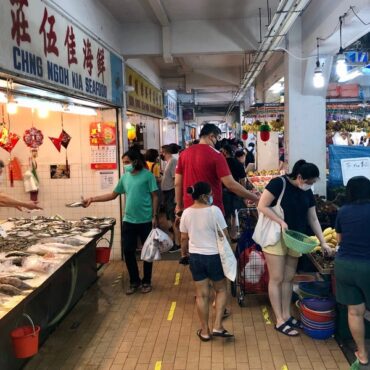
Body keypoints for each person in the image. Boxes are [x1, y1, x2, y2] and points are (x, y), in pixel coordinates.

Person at [257, 159, 333, 336]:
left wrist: (322, 241)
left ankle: (287, 314)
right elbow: (262, 205)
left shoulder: (307, 192)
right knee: (276, 278)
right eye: (309, 182)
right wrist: (280, 221)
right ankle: (279, 320)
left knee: (289, 278)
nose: (310, 186)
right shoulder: (278, 184)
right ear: (299, 177)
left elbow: (313, 218)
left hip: (295, 238)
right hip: (275, 236)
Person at [82, 149, 158, 295]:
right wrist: (92, 199)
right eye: (123, 163)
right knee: (128, 251)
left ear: (136, 161)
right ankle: (134, 281)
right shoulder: (125, 178)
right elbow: (112, 195)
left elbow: (155, 196)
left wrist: (154, 215)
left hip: (146, 220)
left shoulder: (148, 176)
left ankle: (147, 281)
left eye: (127, 162)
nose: (125, 165)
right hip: (128, 220)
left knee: (148, 252)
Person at [180, 182, 234, 341]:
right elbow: (224, 235)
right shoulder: (214, 211)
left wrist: (184, 254)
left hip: (196, 257)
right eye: (210, 194)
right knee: (221, 290)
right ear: (204, 196)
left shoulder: (186, 213)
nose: (212, 196)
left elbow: (183, 238)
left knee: (201, 295)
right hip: (214, 257)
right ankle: (218, 325)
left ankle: (205, 331)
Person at [175, 123, 259, 217]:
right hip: (212, 209)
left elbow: (177, 183)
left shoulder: (184, 154)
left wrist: (179, 205)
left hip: (189, 208)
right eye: (217, 138)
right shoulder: (217, 155)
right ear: (211, 136)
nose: (218, 141)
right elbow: (230, 184)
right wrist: (254, 198)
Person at [335, 176, 370, 366]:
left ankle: (362, 354)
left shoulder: (343, 211)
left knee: (355, 312)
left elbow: (339, 240)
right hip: (367, 264)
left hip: (345, 265)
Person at [220, 144, 246, 239]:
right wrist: (243, 192)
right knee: (235, 213)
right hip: (236, 191)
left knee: (224, 213)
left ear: (225, 152)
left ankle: (225, 234)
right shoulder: (238, 163)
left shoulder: (222, 163)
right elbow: (242, 179)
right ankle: (234, 235)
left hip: (223, 191)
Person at [160, 144, 180, 253]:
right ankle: (175, 240)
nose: (161, 154)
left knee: (173, 218)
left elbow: (175, 179)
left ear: (165, 152)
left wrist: (176, 198)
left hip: (171, 193)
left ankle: (177, 243)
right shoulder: (169, 162)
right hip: (168, 193)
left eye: (162, 152)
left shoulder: (173, 161)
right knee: (170, 218)